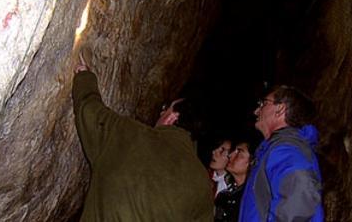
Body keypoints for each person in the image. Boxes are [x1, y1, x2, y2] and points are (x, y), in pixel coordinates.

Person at [72, 53, 214, 221]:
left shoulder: (129, 133)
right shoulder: (202, 185)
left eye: (165, 108)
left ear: (173, 117)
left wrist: (84, 75)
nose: (161, 112)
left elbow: (90, 110)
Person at [239, 85, 324, 222]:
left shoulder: (287, 151)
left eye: (264, 103)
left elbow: (298, 211)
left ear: (280, 109)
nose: (256, 111)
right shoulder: (273, 150)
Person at [214, 134, 258, 222]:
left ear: (252, 162)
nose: (230, 155)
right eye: (234, 151)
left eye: (239, 152)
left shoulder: (255, 198)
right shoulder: (224, 196)